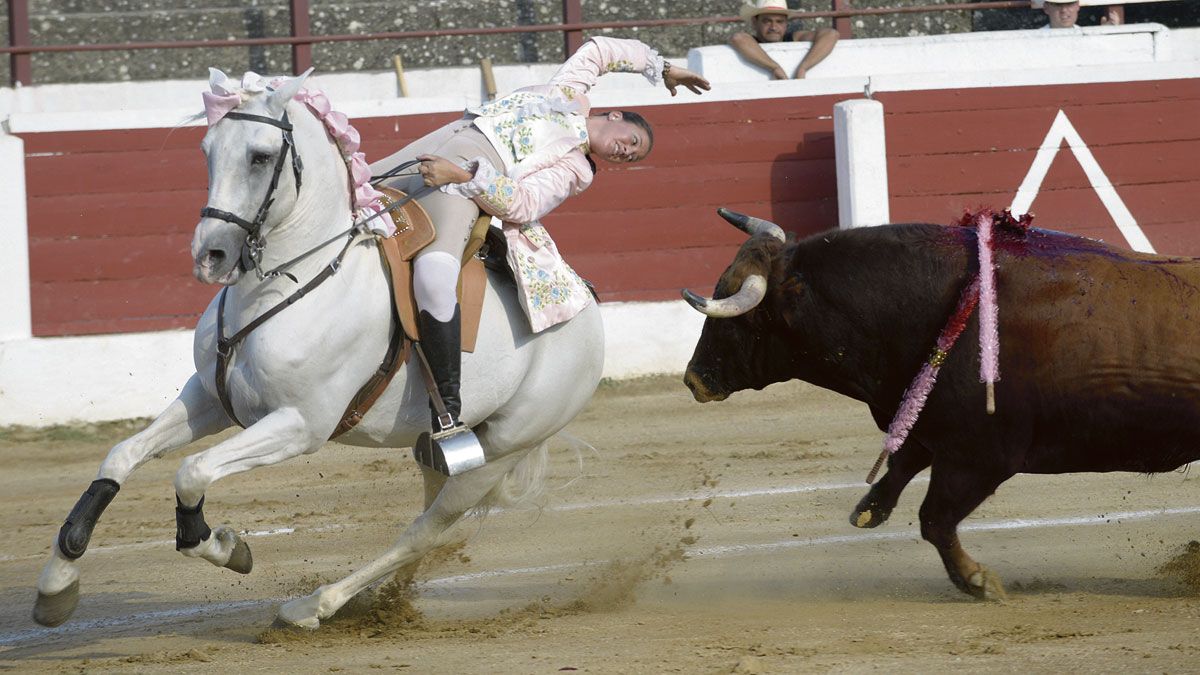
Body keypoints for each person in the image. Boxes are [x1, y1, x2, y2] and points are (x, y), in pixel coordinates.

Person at [370, 36, 710, 439]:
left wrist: (463, 176)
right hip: (450, 135)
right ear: (615, 115)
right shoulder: (568, 91)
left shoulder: (576, 169)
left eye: (631, 157)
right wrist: (665, 69)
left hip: (468, 176)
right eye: (631, 141)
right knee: (347, 189)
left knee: (435, 276)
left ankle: (447, 408)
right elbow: (602, 51)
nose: (625, 152)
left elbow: (524, 204)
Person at [729, 0, 839, 80]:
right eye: (767, 21)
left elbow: (831, 34)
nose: (773, 27)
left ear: (786, 23)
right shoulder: (750, 41)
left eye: (779, 21)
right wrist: (774, 67)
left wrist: (803, 67)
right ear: (754, 22)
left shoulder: (794, 38)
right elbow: (738, 38)